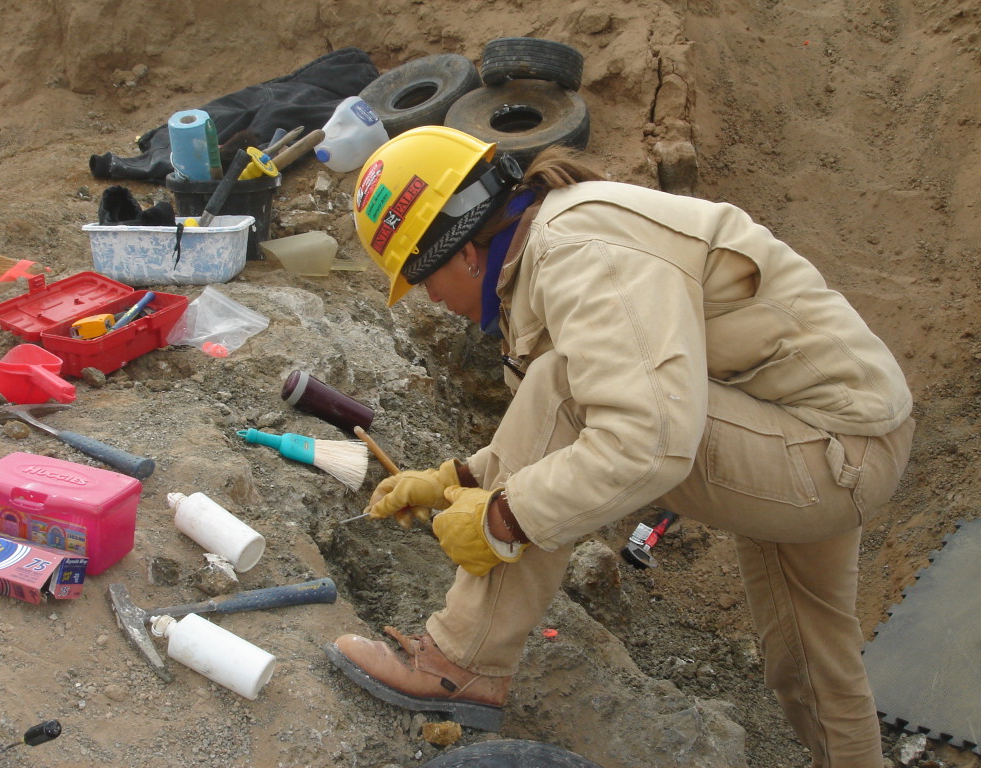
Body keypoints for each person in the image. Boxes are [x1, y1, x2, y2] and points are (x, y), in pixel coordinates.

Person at [324, 126, 914, 768]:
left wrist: (503, 515)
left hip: (826, 450)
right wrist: (454, 479)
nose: (432, 300)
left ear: (465, 249)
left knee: (565, 383)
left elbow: (644, 438)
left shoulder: (582, 252)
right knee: (809, 658)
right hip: (815, 429)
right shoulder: (563, 239)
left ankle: (462, 661)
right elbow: (571, 420)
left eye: (423, 277)